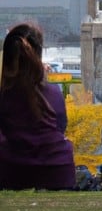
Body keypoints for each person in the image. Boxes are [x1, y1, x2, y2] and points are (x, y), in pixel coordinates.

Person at [0, 23, 75, 190]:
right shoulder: (53, 93)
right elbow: (61, 127)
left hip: (13, 172)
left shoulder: (5, 95)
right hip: (59, 170)